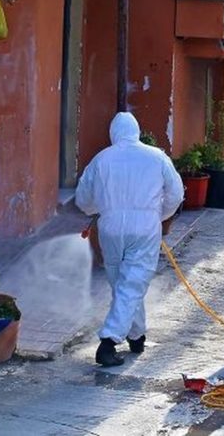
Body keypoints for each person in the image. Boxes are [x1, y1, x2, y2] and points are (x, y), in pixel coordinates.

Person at [76, 112, 184, 367]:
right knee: (132, 284)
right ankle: (109, 342)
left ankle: (136, 337)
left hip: (110, 228)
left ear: (114, 133)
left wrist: (99, 210)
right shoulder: (156, 156)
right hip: (145, 228)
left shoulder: (101, 159)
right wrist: (159, 215)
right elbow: (176, 193)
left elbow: (83, 199)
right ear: (137, 131)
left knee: (124, 285)